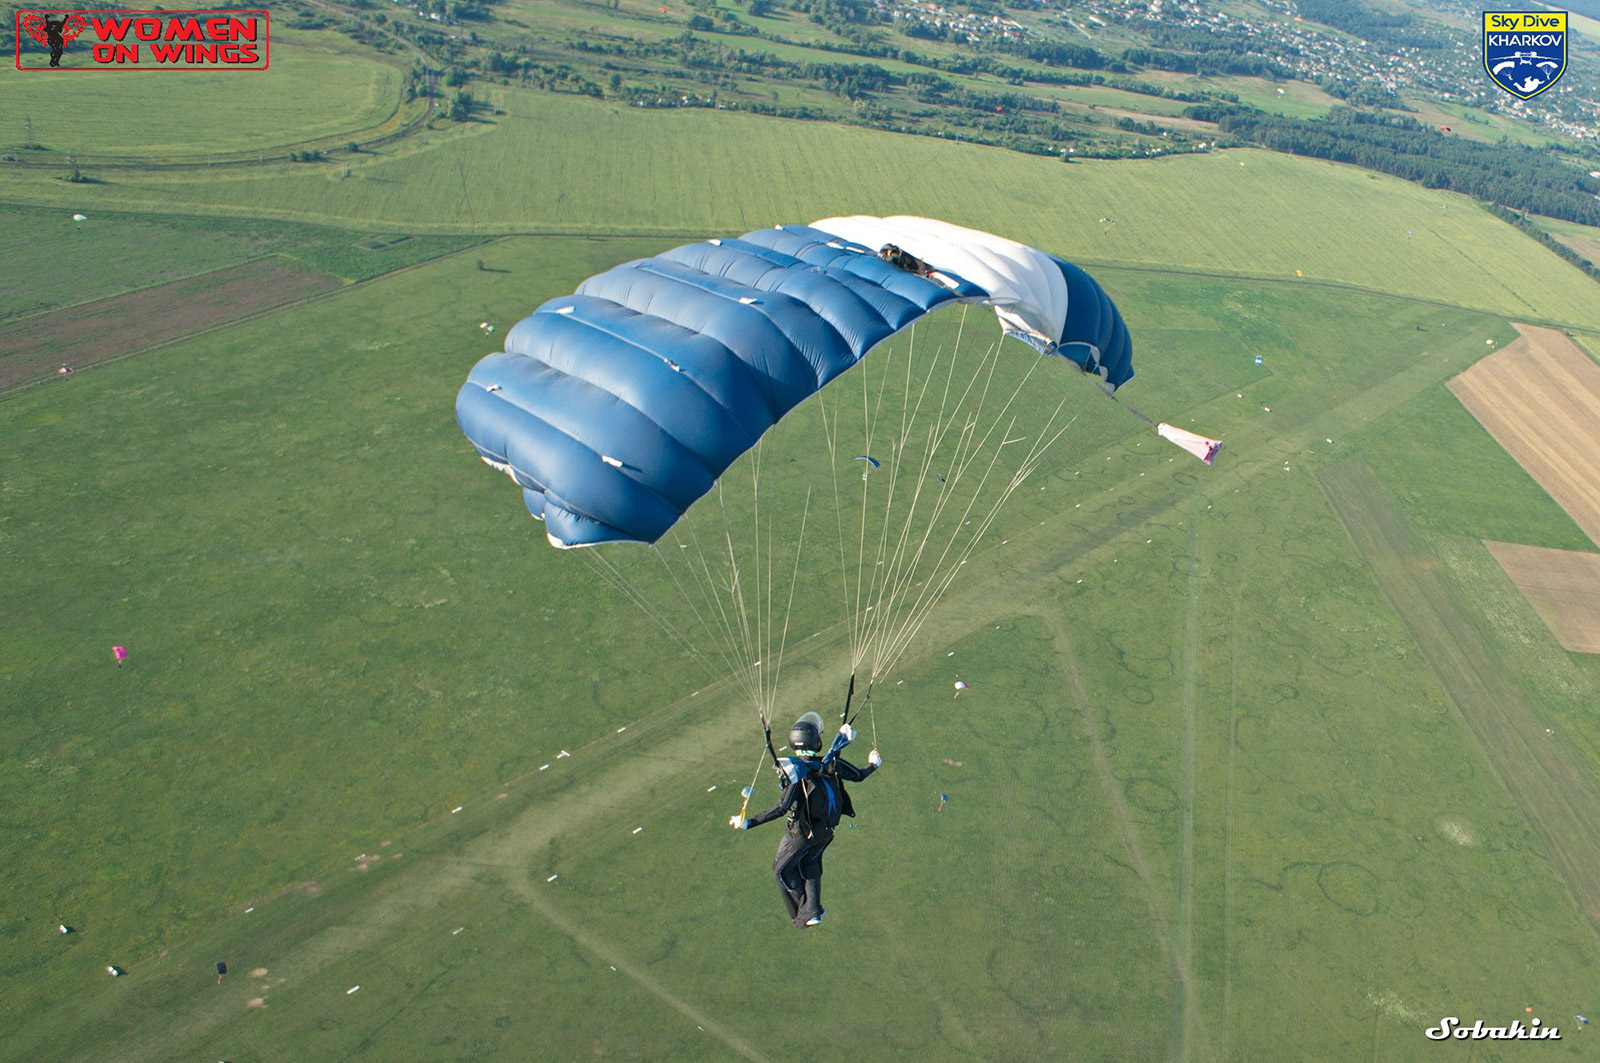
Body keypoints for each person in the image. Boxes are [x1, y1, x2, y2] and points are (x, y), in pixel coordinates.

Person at [730, 712, 881, 928]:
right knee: (809, 862)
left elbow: (782, 807)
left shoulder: (797, 773)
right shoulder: (828, 763)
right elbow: (858, 775)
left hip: (800, 834)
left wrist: (749, 822)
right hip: (825, 832)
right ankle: (814, 910)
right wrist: (873, 764)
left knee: (781, 871)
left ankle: (807, 911)